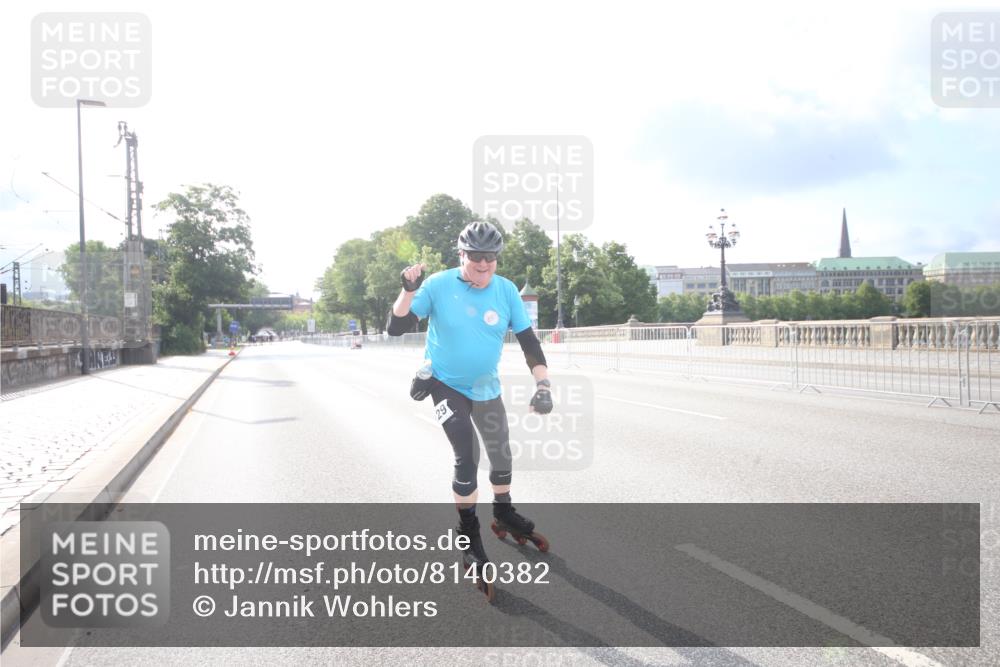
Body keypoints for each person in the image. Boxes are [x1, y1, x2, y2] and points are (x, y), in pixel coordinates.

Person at [386, 221, 553, 597]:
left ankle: (503, 511)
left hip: (486, 387)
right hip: (445, 385)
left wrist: (543, 384)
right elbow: (395, 327)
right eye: (475, 257)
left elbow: (529, 343)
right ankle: (468, 532)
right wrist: (407, 292)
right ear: (461, 255)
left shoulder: (506, 290)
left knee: (502, 454)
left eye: (490, 258)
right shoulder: (439, 285)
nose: (483, 264)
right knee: (467, 454)